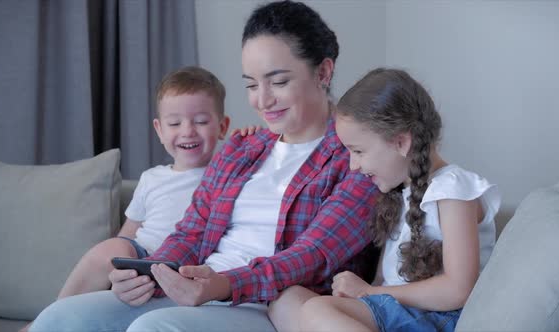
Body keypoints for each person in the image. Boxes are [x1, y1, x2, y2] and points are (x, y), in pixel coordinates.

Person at [29, 1, 379, 331]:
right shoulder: (241, 149)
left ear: (323, 71)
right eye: (252, 85)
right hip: (195, 289)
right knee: (62, 318)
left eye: (279, 81)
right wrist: (151, 273)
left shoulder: (357, 155)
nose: (262, 99)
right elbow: (191, 233)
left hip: (271, 303)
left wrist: (223, 285)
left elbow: (313, 255)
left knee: (155, 328)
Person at [273, 68, 501, 332]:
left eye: (358, 151)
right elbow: (383, 278)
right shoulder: (397, 195)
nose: (353, 166)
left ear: (401, 143)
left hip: (436, 316)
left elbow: (458, 289)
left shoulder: (453, 190)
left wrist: (371, 293)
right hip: (396, 310)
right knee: (285, 299)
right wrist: (369, 293)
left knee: (316, 310)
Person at [18, 66, 230, 332]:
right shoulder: (152, 178)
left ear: (223, 127)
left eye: (200, 121)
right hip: (145, 260)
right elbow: (128, 234)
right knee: (110, 249)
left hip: (189, 265)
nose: (187, 131)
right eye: (175, 123)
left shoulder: (229, 174)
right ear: (159, 129)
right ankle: (51, 318)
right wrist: (123, 265)